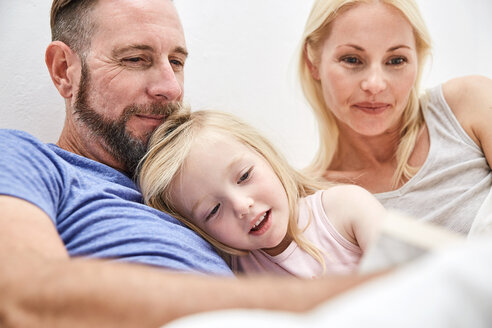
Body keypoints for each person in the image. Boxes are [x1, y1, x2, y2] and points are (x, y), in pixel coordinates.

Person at [0, 0, 380, 326]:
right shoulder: (25, 159)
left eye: (177, 61)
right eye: (135, 59)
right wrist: (321, 305)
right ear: (64, 70)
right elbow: (23, 296)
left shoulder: (196, 188)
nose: (171, 87)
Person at [298, 0, 492, 235]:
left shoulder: (469, 105)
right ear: (312, 61)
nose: (375, 85)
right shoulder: (306, 199)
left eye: (396, 60)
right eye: (352, 59)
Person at [137, 110, 385, 278]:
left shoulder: (345, 207)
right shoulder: (237, 273)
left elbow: (411, 279)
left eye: (244, 176)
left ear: (267, 156)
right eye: (213, 211)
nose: (242, 206)